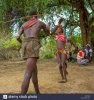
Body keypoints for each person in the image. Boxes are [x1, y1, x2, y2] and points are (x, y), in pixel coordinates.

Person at [16, 8, 62, 94]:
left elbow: (17, 37)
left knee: (34, 70)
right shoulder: (40, 22)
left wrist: (23, 44)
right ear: (36, 15)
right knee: (28, 73)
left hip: (25, 44)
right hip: (33, 43)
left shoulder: (24, 25)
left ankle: (37, 93)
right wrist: (48, 25)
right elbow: (49, 32)